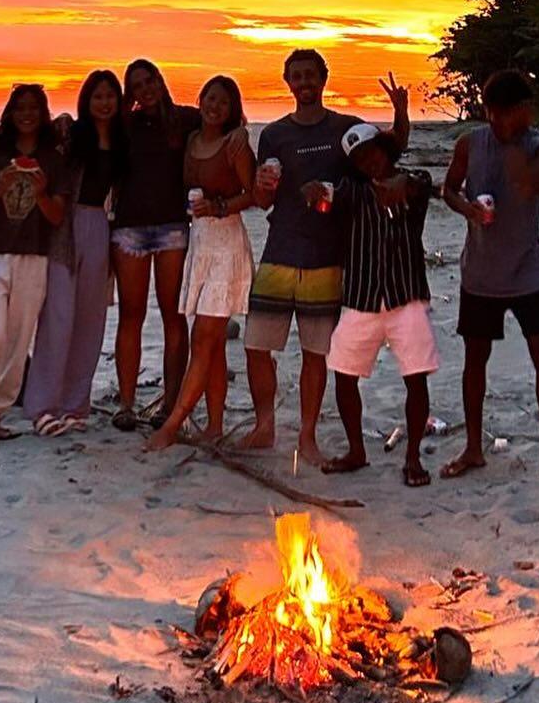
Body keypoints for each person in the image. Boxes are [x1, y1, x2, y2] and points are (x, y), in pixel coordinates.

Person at [241, 49, 410, 464]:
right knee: (256, 345)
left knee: (315, 352)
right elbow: (263, 199)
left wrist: (401, 112)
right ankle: (264, 425)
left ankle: (308, 435)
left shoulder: (346, 127)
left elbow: (389, 154)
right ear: (287, 82)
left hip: (327, 258)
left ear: (324, 78)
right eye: (297, 76)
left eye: (310, 75)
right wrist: (262, 184)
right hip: (279, 251)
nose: (304, 82)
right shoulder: (274, 135)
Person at [440, 69, 539, 481]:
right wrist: (467, 209)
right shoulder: (469, 144)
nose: (500, 120)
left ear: (525, 110)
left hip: (527, 271)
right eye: (495, 112)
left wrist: (514, 141)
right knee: (475, 361)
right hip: (479, 272)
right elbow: (448, 189)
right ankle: (473, 448)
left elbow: (528, 185)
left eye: (511, 112)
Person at [314, 124, 437, 487]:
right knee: (343, 372)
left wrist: (403, 182)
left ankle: (412, 456)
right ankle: (356, 450)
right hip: (362, 297)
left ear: (386, 148)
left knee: (415, 377)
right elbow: (329, 196)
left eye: (373, 153)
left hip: (406, 295)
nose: (369, 162)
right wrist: (314, 193)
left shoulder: (414, 183)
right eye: (360, 160)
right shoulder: (353, 191)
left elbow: (422, 182)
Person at [146, 76, 256, 451]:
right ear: (201, 100)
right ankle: (214, 425)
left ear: (233, 108)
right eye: (211, 98)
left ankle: (172, 424)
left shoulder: (236, 144)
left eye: (224, 102)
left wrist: (219, 206)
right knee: (214, 345)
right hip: (199, 242)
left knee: (203, 339)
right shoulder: (192, 138)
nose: (215, 107)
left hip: (226, 244)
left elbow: (255, 195)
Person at [0, 84, 66, 451]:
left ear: (43, 112)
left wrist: (40, 193)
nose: (27, 114)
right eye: (20, 107)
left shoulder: (53, 156)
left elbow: (56, 216)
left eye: (34, 107)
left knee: (19, 341)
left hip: (33, 255)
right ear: (9, 111)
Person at [23, 69, 124, 436]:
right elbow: (29, 138)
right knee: (57, 318)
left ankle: (75, 405)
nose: (104, 103)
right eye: (98, 96)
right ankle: (42, 407)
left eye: (110, 96)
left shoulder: (121, 140)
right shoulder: (69, 132)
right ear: (87, 99)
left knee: (90, 322)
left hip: (100, 226)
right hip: (65, 228)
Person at [109, 58, 201, 432]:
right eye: (136, 86)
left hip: (172, 227)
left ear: (160, 81)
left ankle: (171, 403)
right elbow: (85, 132)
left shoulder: (185, 119)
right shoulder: (125, 125)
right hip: (129, 228)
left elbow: (228, 124)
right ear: (130, 93)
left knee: (172, 315)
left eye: (149, 81)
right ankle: (126, 404)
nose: (145, 89)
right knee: (131, 315)